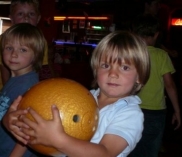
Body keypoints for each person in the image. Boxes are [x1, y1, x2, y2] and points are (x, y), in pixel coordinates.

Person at [4, 31, 150, 157]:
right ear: (95, 69)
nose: (112, 74)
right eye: (105, 65)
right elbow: (35, 128)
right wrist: (11, 121)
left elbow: (105, 153)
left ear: (139, 76)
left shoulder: (129, 113)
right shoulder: (80, 96)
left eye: (124, 67)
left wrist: (58, 140)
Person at [129, 14, 181, 157]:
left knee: (131, 147)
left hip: (131, 108)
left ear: (134, 34)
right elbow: (169, 85)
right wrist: (177, 110)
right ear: (156, 35)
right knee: (151, 149)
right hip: (156, 112)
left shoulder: (130, 54)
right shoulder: (161, 55)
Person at [0, 23, 46, 157]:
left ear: (36, 55)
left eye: (23, 50)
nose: (14, 54)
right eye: (9, 48)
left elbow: (27, 132)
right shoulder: (15, 80)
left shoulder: (27, 86)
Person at [0, 0, 50, 90]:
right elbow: (5, 69)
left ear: (38, 18)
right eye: (20, 14)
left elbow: (38, 68)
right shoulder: (4, 39)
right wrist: (7, 93)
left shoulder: (41, 41)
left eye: (31, 14)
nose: (26, 18)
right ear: (12, 18)